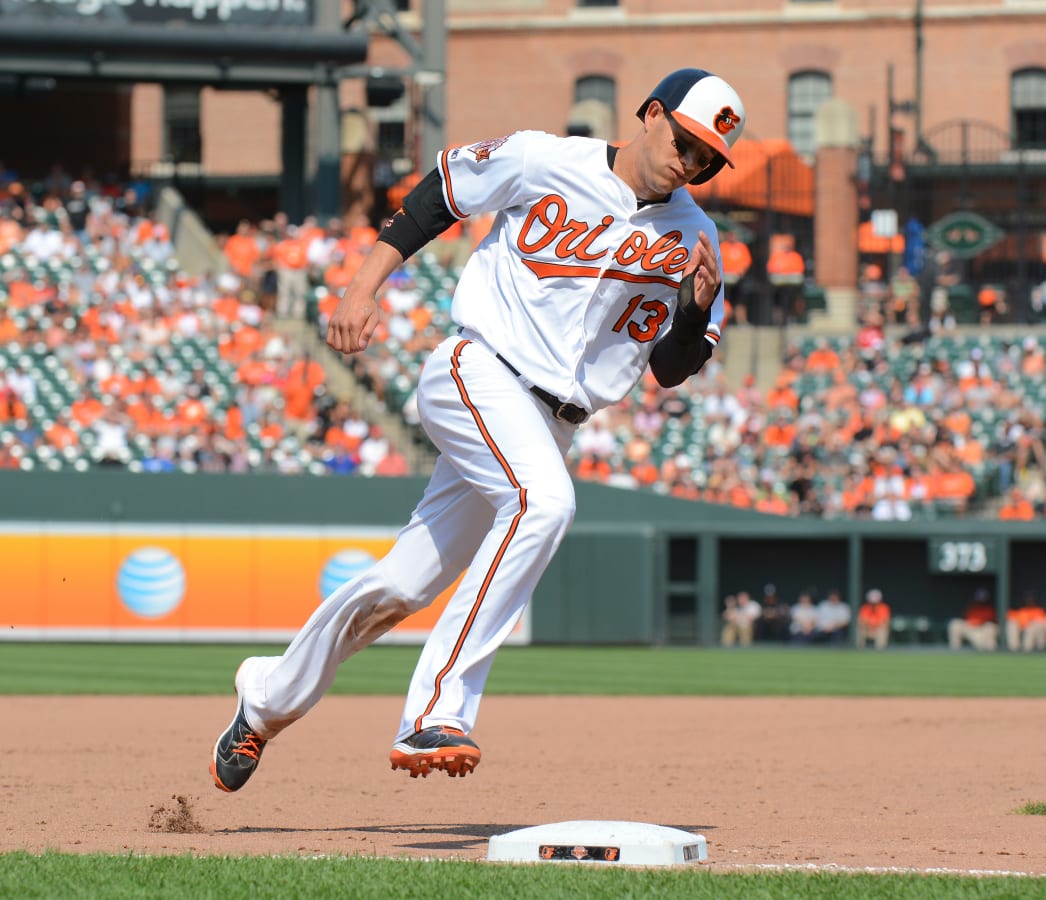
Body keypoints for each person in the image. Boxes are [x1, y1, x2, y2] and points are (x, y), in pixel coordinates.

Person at [208, 67, 747, 792]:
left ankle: (264, 703)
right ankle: (435, 709)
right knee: (544, 504)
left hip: (551, 423)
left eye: (710, 157)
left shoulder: (698, 237)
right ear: (652, 115)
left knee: (399, 587)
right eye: (687, 141)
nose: (694, 163)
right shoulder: (546, 159)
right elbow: (440, 194)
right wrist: (364, 286)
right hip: (478, 368)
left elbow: (674, 369)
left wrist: (691, 310)